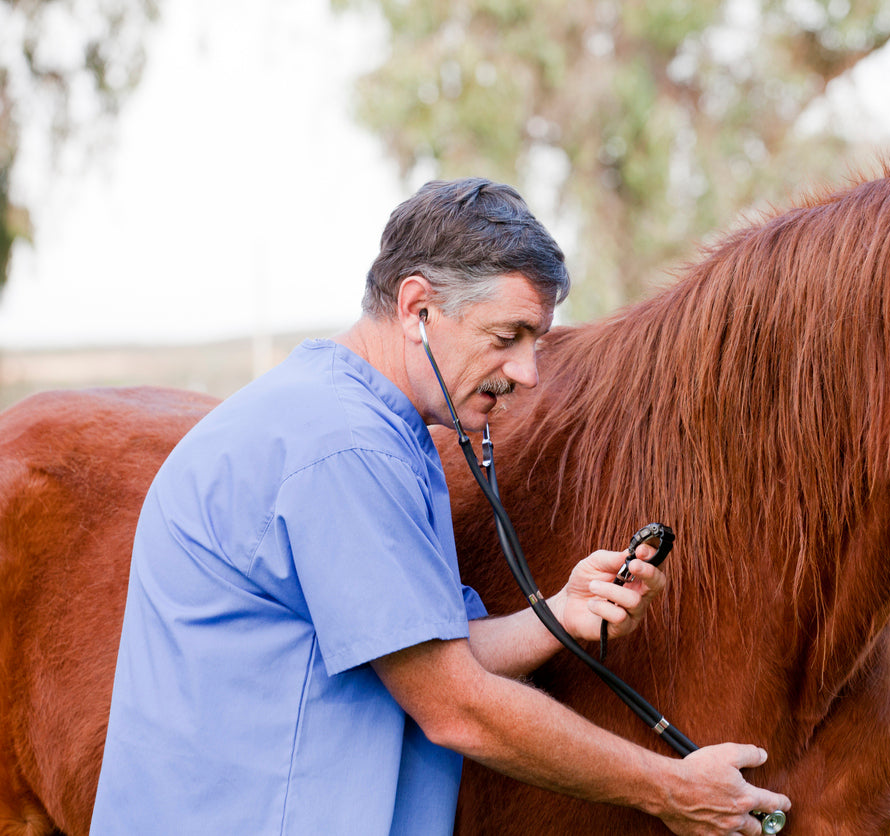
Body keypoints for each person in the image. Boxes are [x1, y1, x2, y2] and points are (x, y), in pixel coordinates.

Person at [91, 178, 790, 835]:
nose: (528, 373)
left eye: (536, 342)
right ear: (418, 308)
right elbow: (456, 706)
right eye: (506, 337)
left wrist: (560, 614)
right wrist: (670, 788)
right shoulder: (344, 448)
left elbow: (413, 646)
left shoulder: (359, 422)